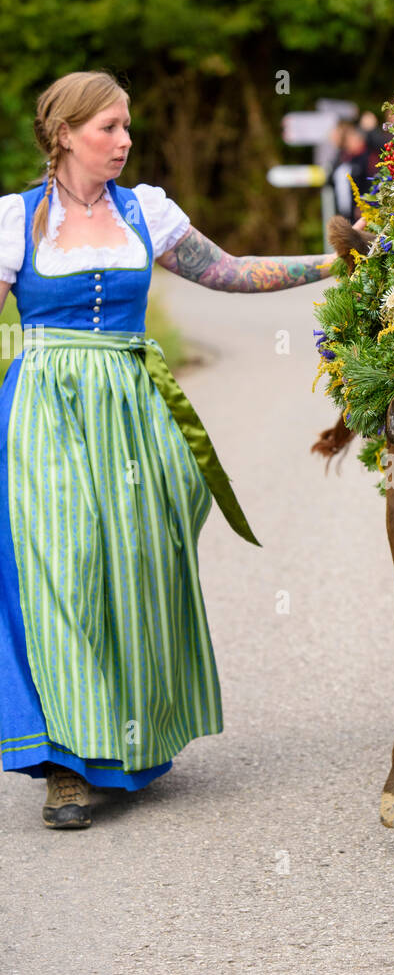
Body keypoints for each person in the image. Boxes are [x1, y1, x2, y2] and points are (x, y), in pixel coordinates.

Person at [0, 71, 337, 829]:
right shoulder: (13, 221)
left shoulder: (143, 210)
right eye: (107, 129)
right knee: (64, 568)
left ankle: (126, 740)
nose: (123, 142)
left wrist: (339, 260)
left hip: (133, 404)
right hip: (42, 408)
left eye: (126, 128)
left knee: (137, 565)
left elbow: (233, 274)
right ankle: (62, 768)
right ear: (63, 134)